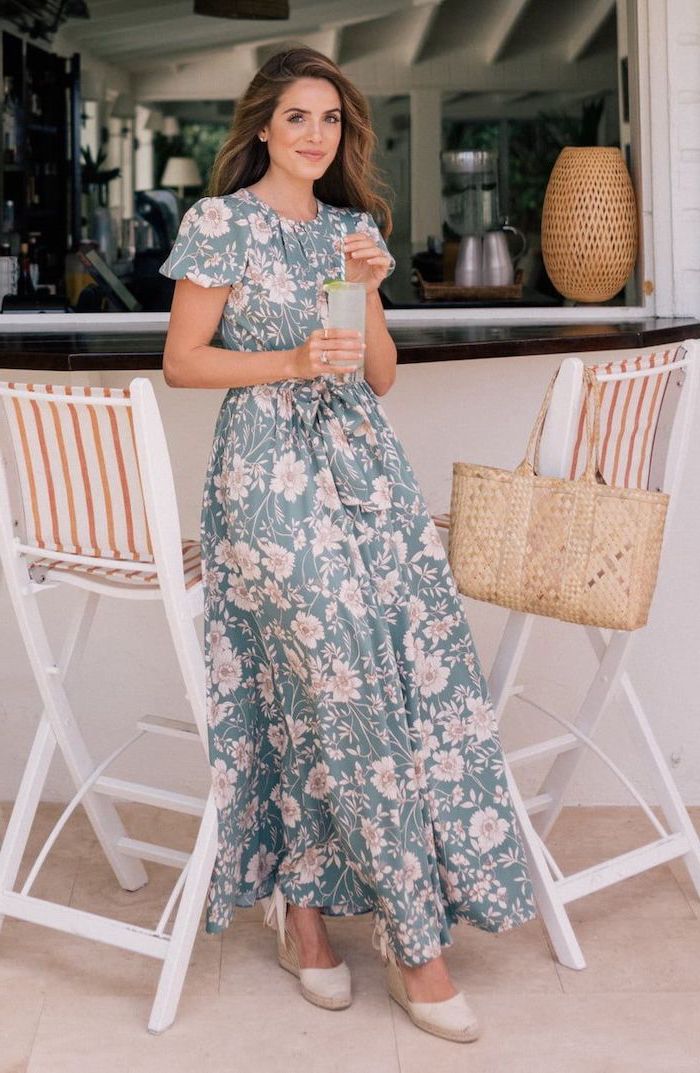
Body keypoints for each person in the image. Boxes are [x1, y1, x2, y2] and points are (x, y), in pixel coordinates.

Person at [160, 45, 537, 1044]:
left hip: (366, 470)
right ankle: (407, 945)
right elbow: (182, 360)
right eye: (297, 118)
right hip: (266, 477)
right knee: (338, 665)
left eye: (330, 119)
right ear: (261, 128)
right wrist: (285, 358)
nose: (316, 135)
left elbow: (376, 377)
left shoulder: (349, 229)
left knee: (420, 654)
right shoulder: (220, 223)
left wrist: (368, 281)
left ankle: (314, 912)